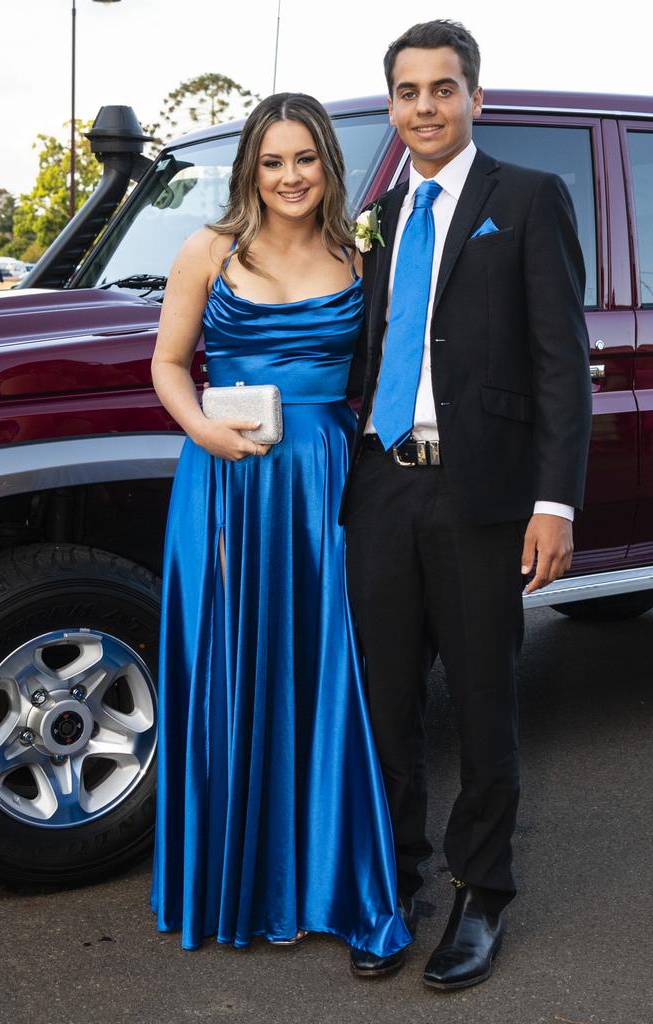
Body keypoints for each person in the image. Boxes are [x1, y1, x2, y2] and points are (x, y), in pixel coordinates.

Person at [341, 20, 592, 989]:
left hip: (483, 495)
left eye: (442, 90)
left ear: (475, 98)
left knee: (485, 704)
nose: (424, 108)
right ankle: (392, 885)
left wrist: (554, 505)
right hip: (382, 488)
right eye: (407, 92)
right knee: (386, 702)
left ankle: (481, 890)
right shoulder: (379, 218)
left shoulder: (526, 199)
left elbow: (561, 365)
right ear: (392, 104)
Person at [150, 93, 411, 965]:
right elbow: (167, 363)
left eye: (306, 159)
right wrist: (200, 430)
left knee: (327, 671)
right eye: (273, 161)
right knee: (233, 667)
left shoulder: (357, 251)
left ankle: (329, 884)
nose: (290, 176)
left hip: (328, 484)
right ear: (250, 171)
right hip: (226, 481)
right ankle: (239, 880)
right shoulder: (208, 250)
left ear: (329, 166)